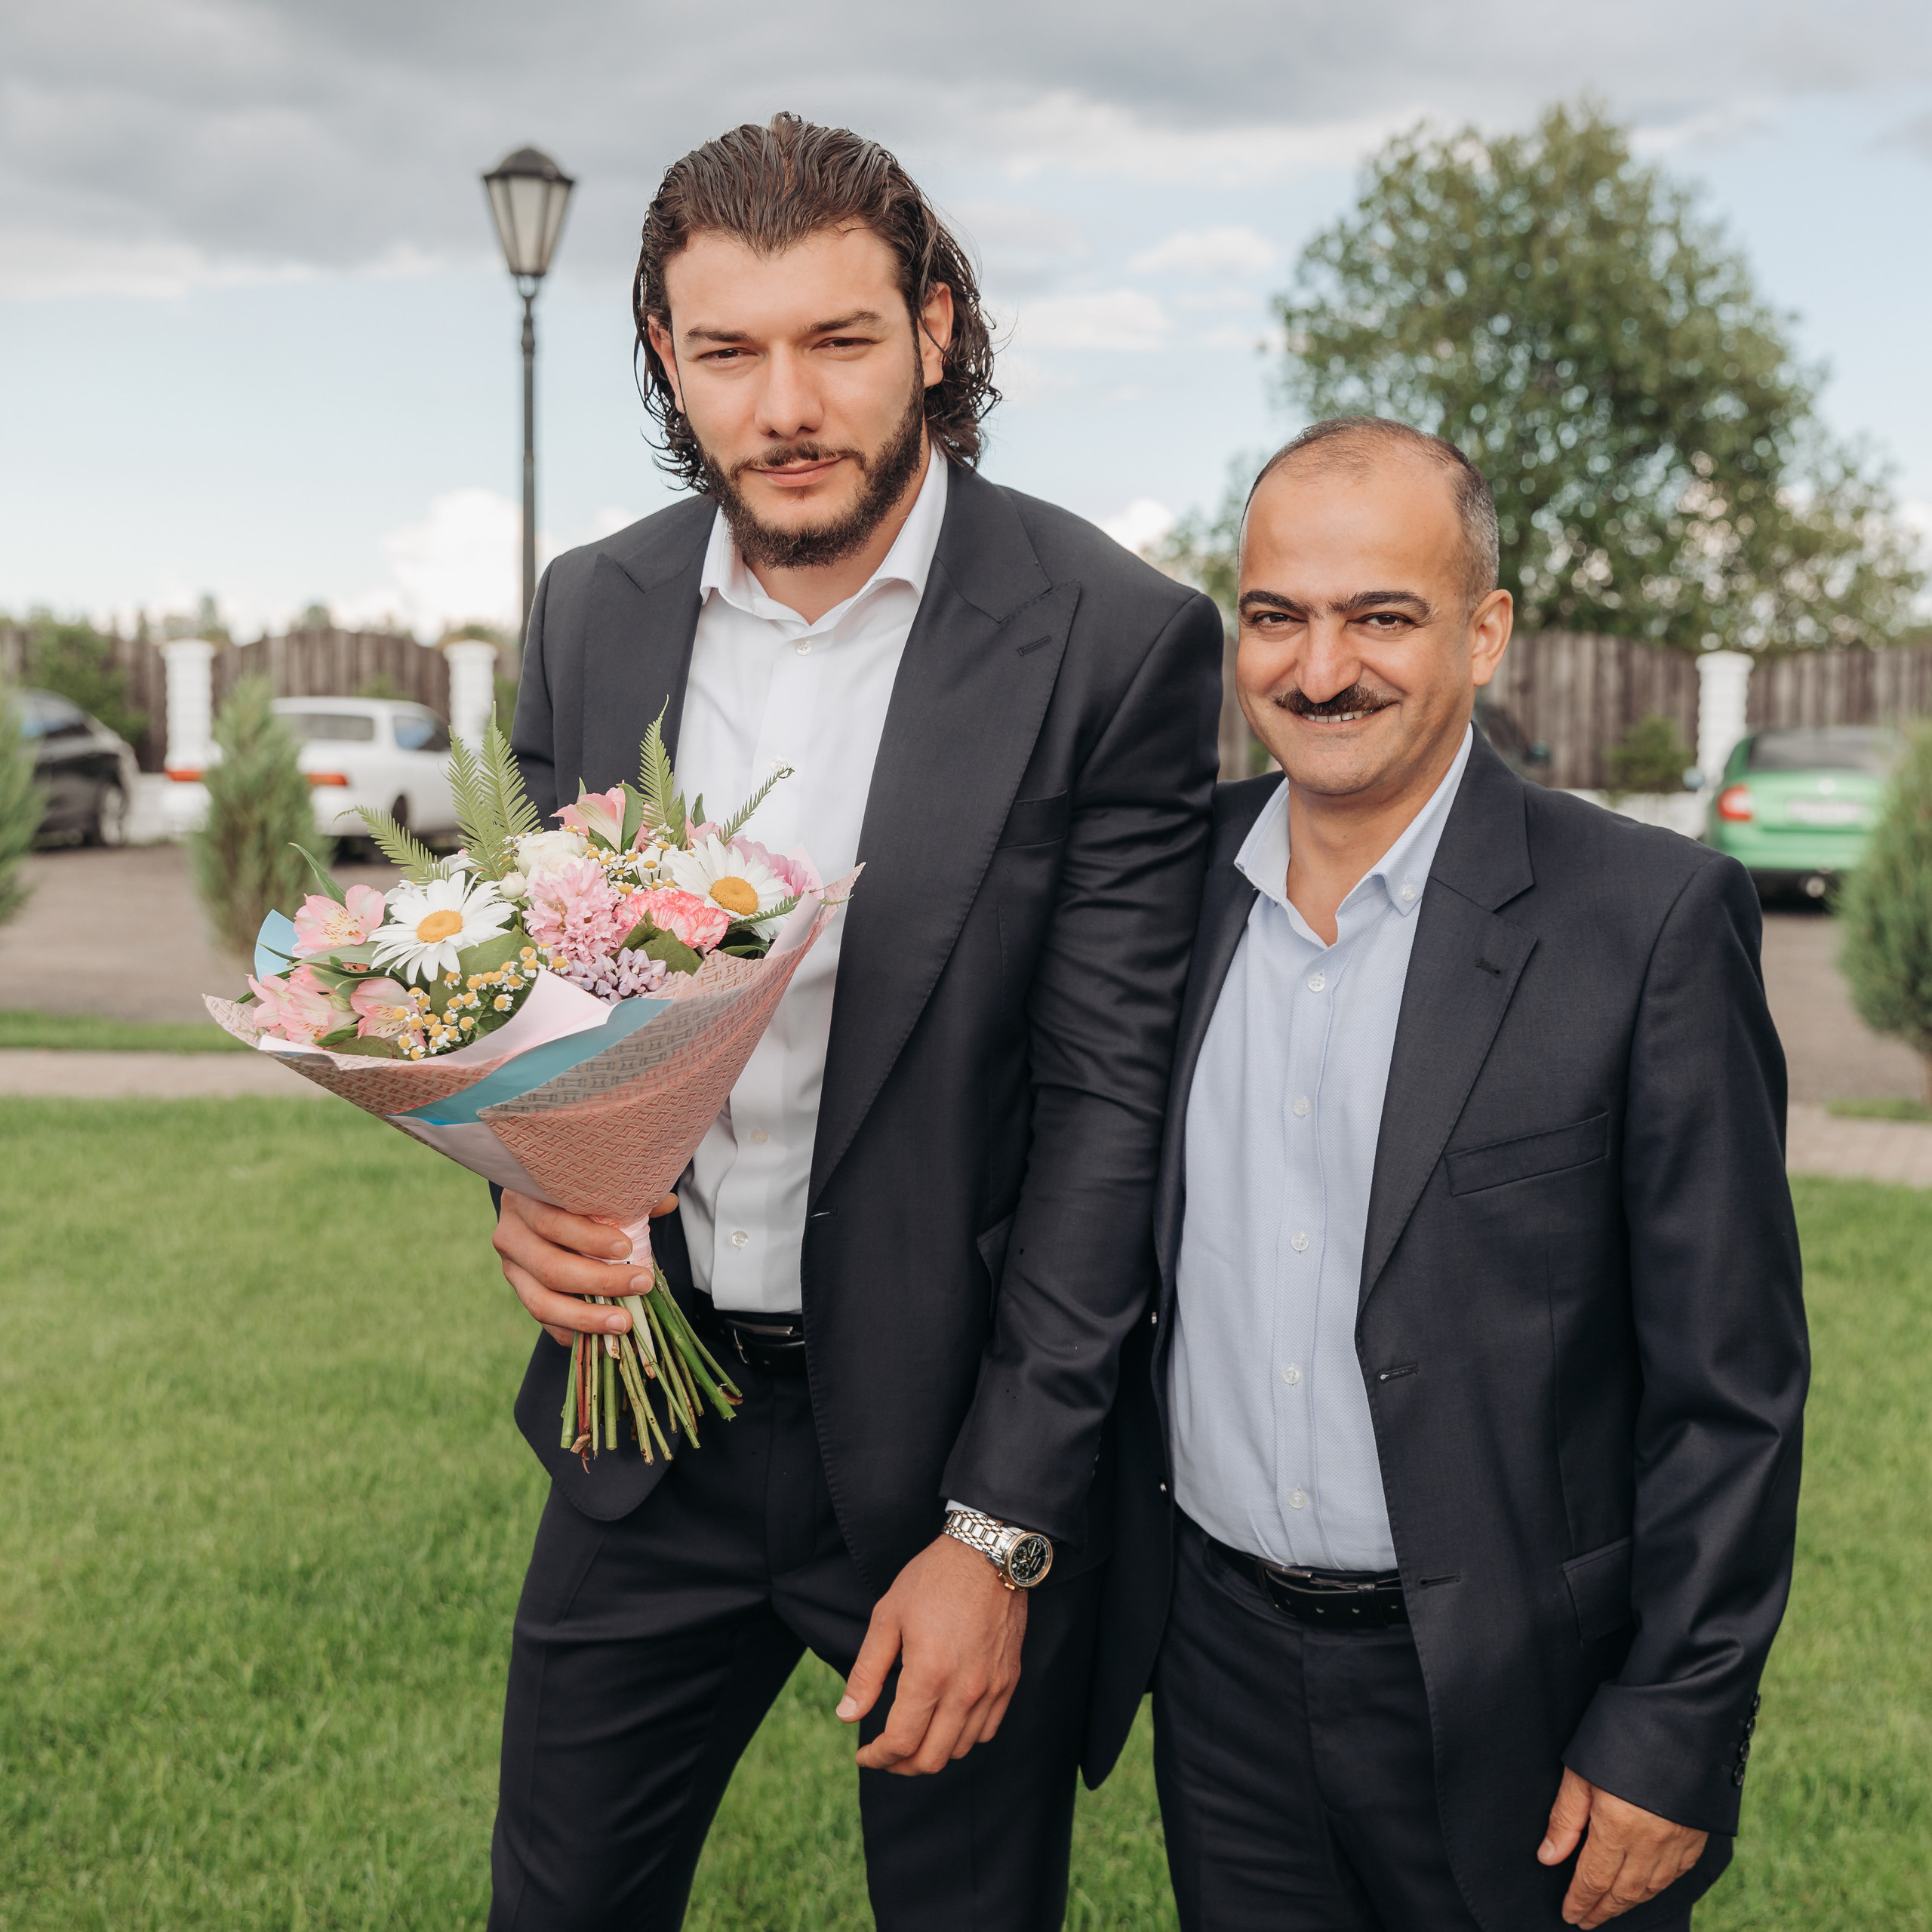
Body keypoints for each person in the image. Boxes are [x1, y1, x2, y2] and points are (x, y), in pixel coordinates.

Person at [486, 113, 1223, 1930]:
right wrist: (531, 1183)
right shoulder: (592, 609)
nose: (783, 403)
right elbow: (546, 997)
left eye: (837, 339)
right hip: (642, 1427)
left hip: (943, 1448)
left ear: (937, 328)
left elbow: (1109, 1111)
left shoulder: (1115, 639)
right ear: (666, 354)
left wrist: (999, 1529)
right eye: (727, 350)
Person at [1088, 417, 1807, 1931]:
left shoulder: (1648, 922)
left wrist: (1669, 1725)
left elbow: (1726, 1384)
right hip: (1218, 1672)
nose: (1318, 665)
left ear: (1482, 632)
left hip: (1519, 1697)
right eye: (1276, 616)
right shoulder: (1163, 895)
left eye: (1380, 616)